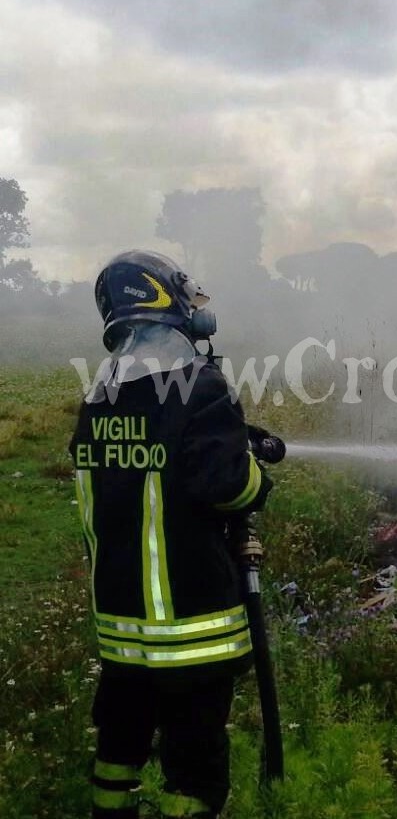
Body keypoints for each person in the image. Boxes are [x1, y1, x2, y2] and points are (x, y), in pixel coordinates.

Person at [69, 250, 273, 819]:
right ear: (167, 302)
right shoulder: (200, 386)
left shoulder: (100, 399)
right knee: (195, 763)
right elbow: (227, 486)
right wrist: (255, 471)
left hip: (121, 630)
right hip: (192, 629)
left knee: (119, 746)